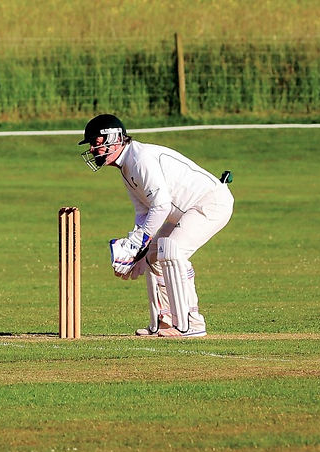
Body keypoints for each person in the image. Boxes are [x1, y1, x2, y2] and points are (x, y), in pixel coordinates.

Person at [78, 114, 233, 337]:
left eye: (96, 143)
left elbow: (161, 206)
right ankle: (166, 320)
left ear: (113, 138)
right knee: (152, 256)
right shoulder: (126, 168)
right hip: (180, 212)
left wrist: (136, 242)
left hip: (210, 203)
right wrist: (136, 251)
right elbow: (144, 212)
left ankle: (191, 323)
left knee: (173, 251)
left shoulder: (140, 160)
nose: (93, 149)